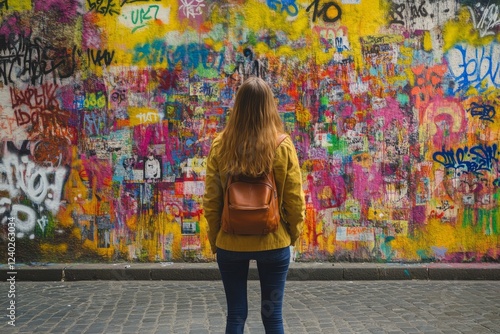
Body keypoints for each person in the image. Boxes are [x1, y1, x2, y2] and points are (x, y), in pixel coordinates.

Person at [203, 76, 306, 334]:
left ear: (238, 107)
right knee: (273, 318)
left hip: (230, 242)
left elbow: (212, 200)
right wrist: (292, 234)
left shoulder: (220, 145)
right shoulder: (282, 146)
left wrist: (216, 237)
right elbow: (294, 199)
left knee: (235, 315)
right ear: (269, 106)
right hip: (273, 241)